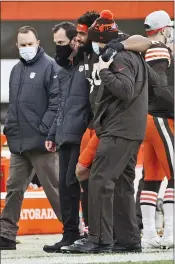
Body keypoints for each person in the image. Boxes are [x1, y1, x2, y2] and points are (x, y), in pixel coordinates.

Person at [61, 9, 155, 254]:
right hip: (129, 127)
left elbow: (125, 90)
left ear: (99, 41)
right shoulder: (128, 53)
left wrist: (103, 69)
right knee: (122, 185)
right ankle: (128, 239)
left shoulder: (117, 57)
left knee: (100, 180)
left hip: (119, 128)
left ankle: (99, 239)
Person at [0, 26, 61, 250]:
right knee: (13, 189)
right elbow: (15, 106)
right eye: (22, 45)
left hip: (43, 143)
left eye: (30, 44)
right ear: (17, 46)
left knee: (54, 188)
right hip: (18, 143)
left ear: (38, 43)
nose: (26, 48)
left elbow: (56, 103)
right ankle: (6, 235)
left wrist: (46, 130)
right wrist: (9, 130)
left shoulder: (50, 66)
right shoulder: (16, 70)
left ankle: (74, 231)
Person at [43, 22, 92, 253]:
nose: (58, 48)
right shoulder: (63, 71)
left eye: (61, 43)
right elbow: (60, 106)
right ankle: (70, 234)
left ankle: (90, 233)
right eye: (56, 44)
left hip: (82, 134)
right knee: (64, 187)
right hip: (63, 134)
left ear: (75, 40)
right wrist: (52, 133)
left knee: (77, 185)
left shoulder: (88, 63)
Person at [140, 10, 174, 249]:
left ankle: (150, 235)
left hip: (147, 119)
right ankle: (171, 233)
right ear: (163, 29)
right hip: (161, 117)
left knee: (151, 179)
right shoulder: (159, 49)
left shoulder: (148, 48)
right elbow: (160, 87)